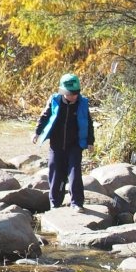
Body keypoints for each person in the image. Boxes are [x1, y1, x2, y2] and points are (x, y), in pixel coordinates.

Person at [32, 73, 94, 211]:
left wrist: (90, 141)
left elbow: (89, 123)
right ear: (62, 92)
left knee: (74, 172)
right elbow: (45, 116)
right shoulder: (55, 100)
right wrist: (37, 132)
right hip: (56, 145)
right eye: (69, 93)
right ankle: (55, 203)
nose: (72, 96)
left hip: (75, 145)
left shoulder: (82, 103)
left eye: (74, 94)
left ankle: (77, 203)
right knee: (55, 171)